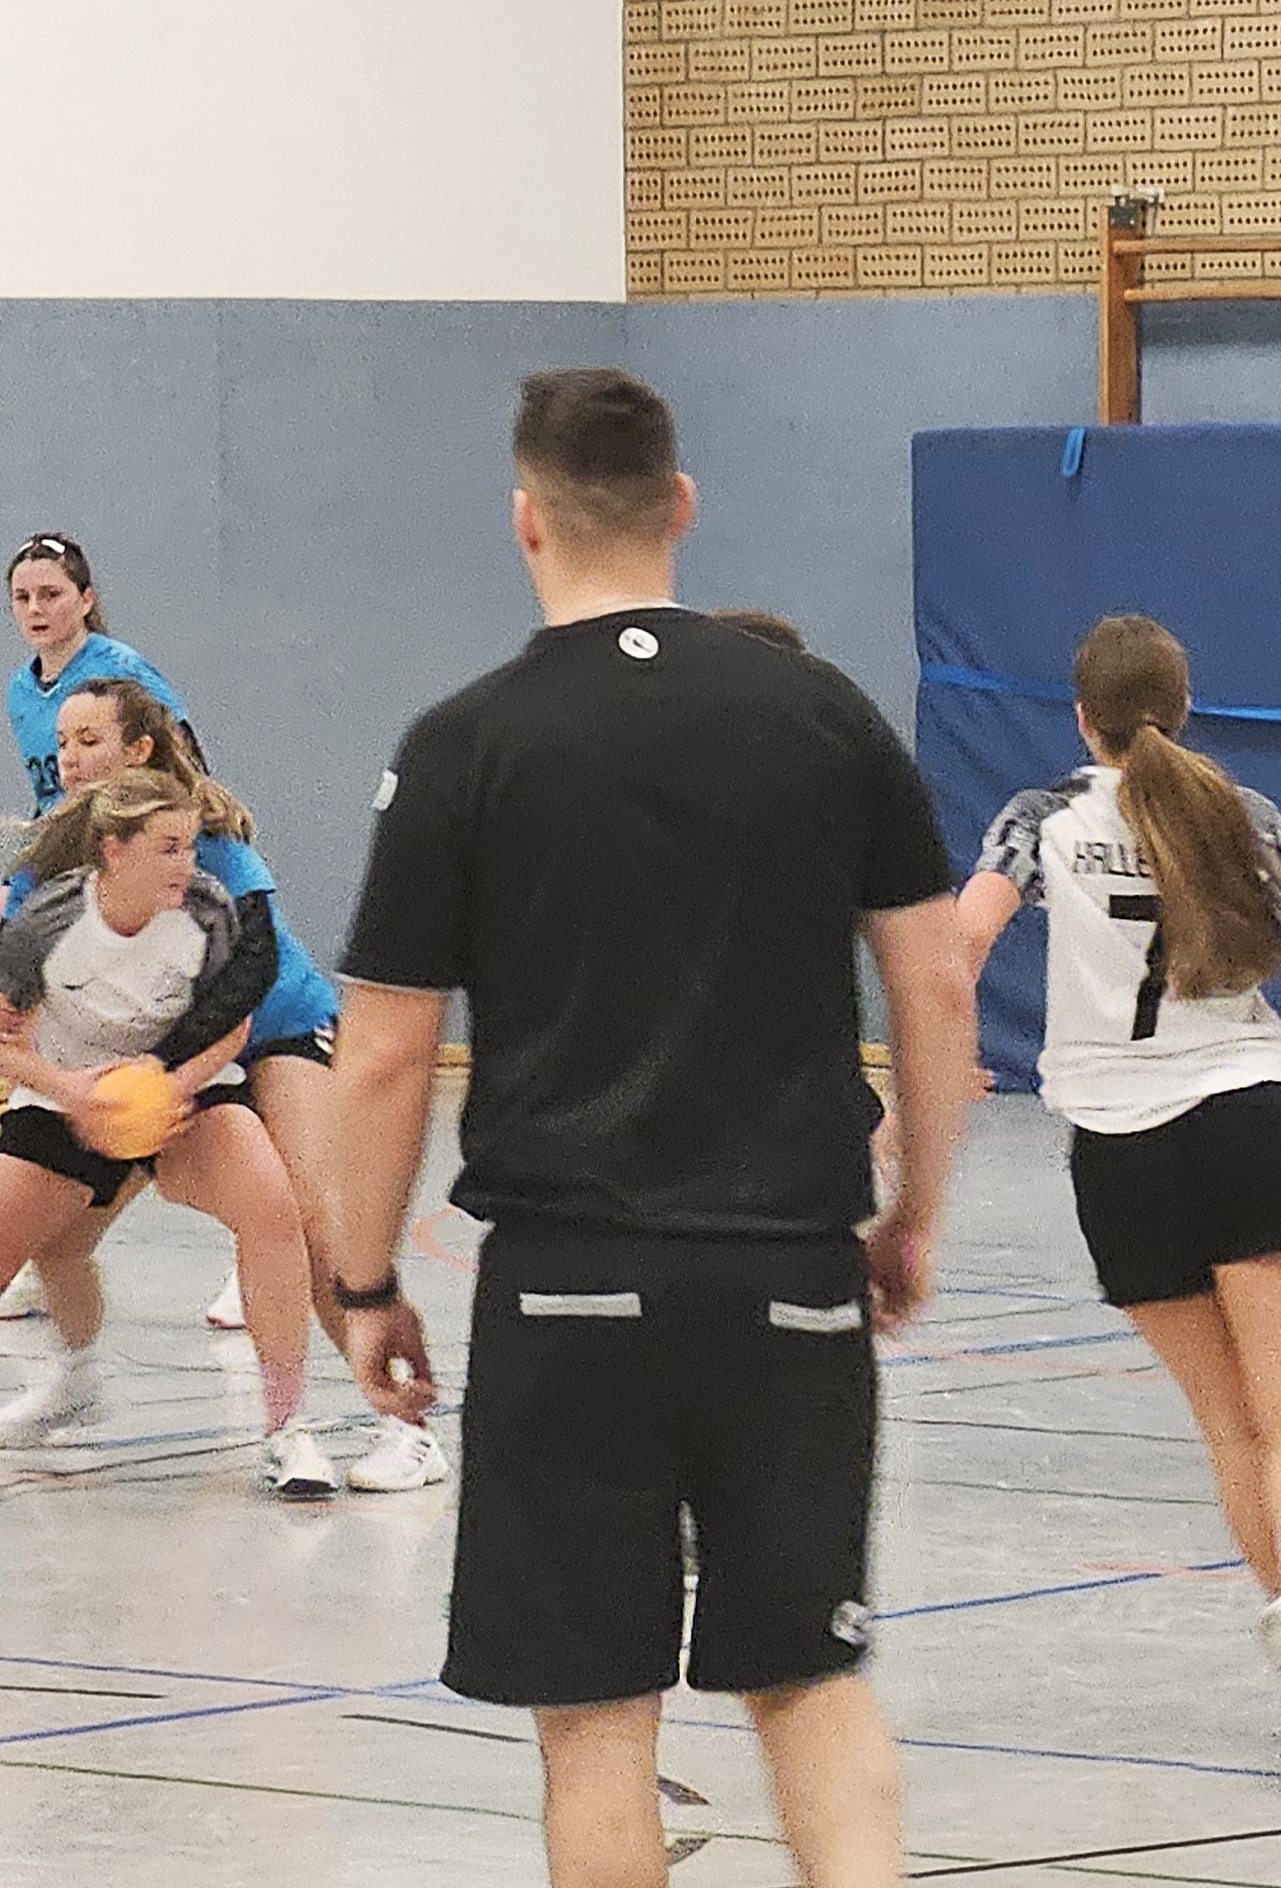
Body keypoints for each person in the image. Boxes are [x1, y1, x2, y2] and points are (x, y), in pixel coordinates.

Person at [320, 367, 976, 1888]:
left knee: (597, 1726)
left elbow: (382, 1056)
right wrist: (912, 1215)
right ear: (681, 505)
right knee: (808, 1680)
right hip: (789, 1273)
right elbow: (936, 983)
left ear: (525, 520)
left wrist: (363, 1280)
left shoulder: (465, 741)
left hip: (566, 1288)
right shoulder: (824, 715)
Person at [957, 613, 1281, 1755]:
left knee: (1229, 1423)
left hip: (1115, 1148)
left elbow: (963, 938)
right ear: (1184, 710)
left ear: (1080, 718)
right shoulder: (1237, 813)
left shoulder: (1037, 820)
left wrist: (940, 1054)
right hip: (1240, 1116)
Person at [0, 769, 338, 1498]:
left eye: (190, 846)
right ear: (114, 851)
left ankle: (287, 1432)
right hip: (65, 1101)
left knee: (272, 1208)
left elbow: (235, 1023)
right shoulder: (51, 920)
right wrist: (75, 1095)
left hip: (183, 1094)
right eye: (169, 848)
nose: (188, 864)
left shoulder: (208, 910)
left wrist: (167, 1087)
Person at [0, 679, 445, 1491]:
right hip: (160, 1056)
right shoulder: (61, 848)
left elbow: (251, 972)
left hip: (271, 1030)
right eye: (62, 744)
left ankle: (404, 1429)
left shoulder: (200, 836)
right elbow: (19, 969)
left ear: (139, 750)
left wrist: (168, 1074)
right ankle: (73, 1384)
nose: (69, 759)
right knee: (59, 1234)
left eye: (89, 741)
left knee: (312, 1218)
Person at [0, 533, 241, 1327]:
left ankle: (253, 1246)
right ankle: (46, 1253)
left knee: (204, 1083)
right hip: (87, 889)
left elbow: (185, 776)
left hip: (154, 890)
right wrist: (19, 884)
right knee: (77, 1079)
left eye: (52, 594)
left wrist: (180, 875)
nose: (36, 609)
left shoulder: (122, 676)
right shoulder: (23, 693)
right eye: (22, 597)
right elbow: (57, 809)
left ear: (86, 599)